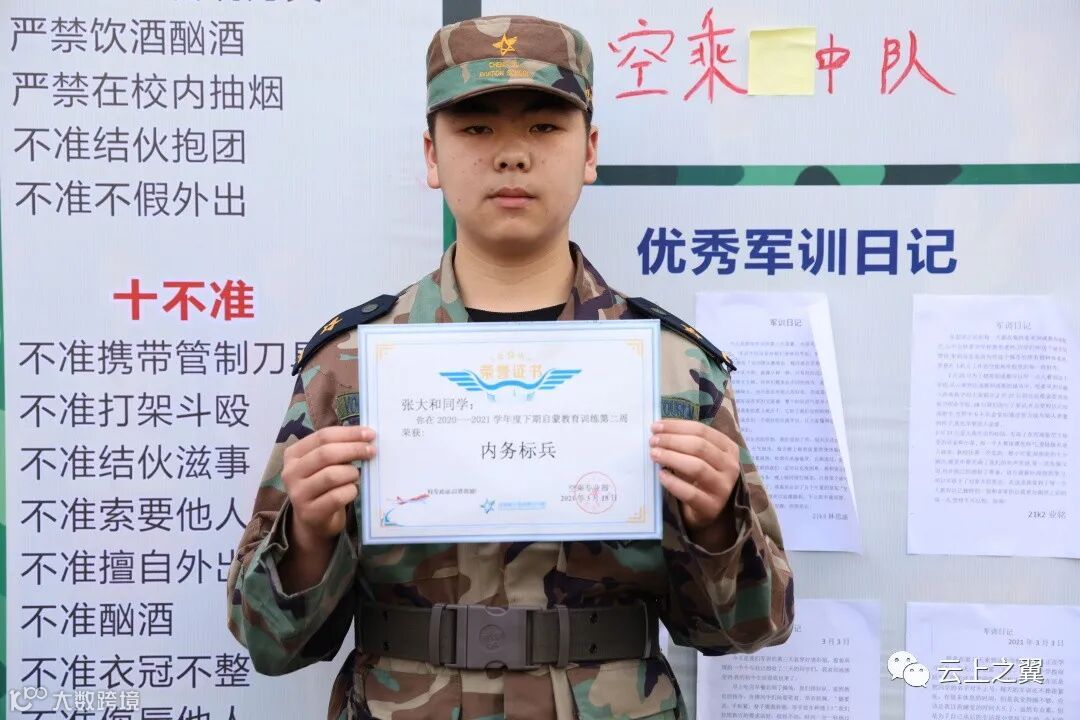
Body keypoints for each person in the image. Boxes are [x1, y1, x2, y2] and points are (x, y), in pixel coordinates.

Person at [226, 14, 794, 720]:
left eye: (544, 127)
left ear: (589, 151)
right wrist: (308, 537)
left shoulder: (672, 368)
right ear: (431, 156)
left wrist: (714, 525)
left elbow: (753, 627)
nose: (512, 156)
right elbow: (268, 643)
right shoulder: (351, 368)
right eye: (476, 128)